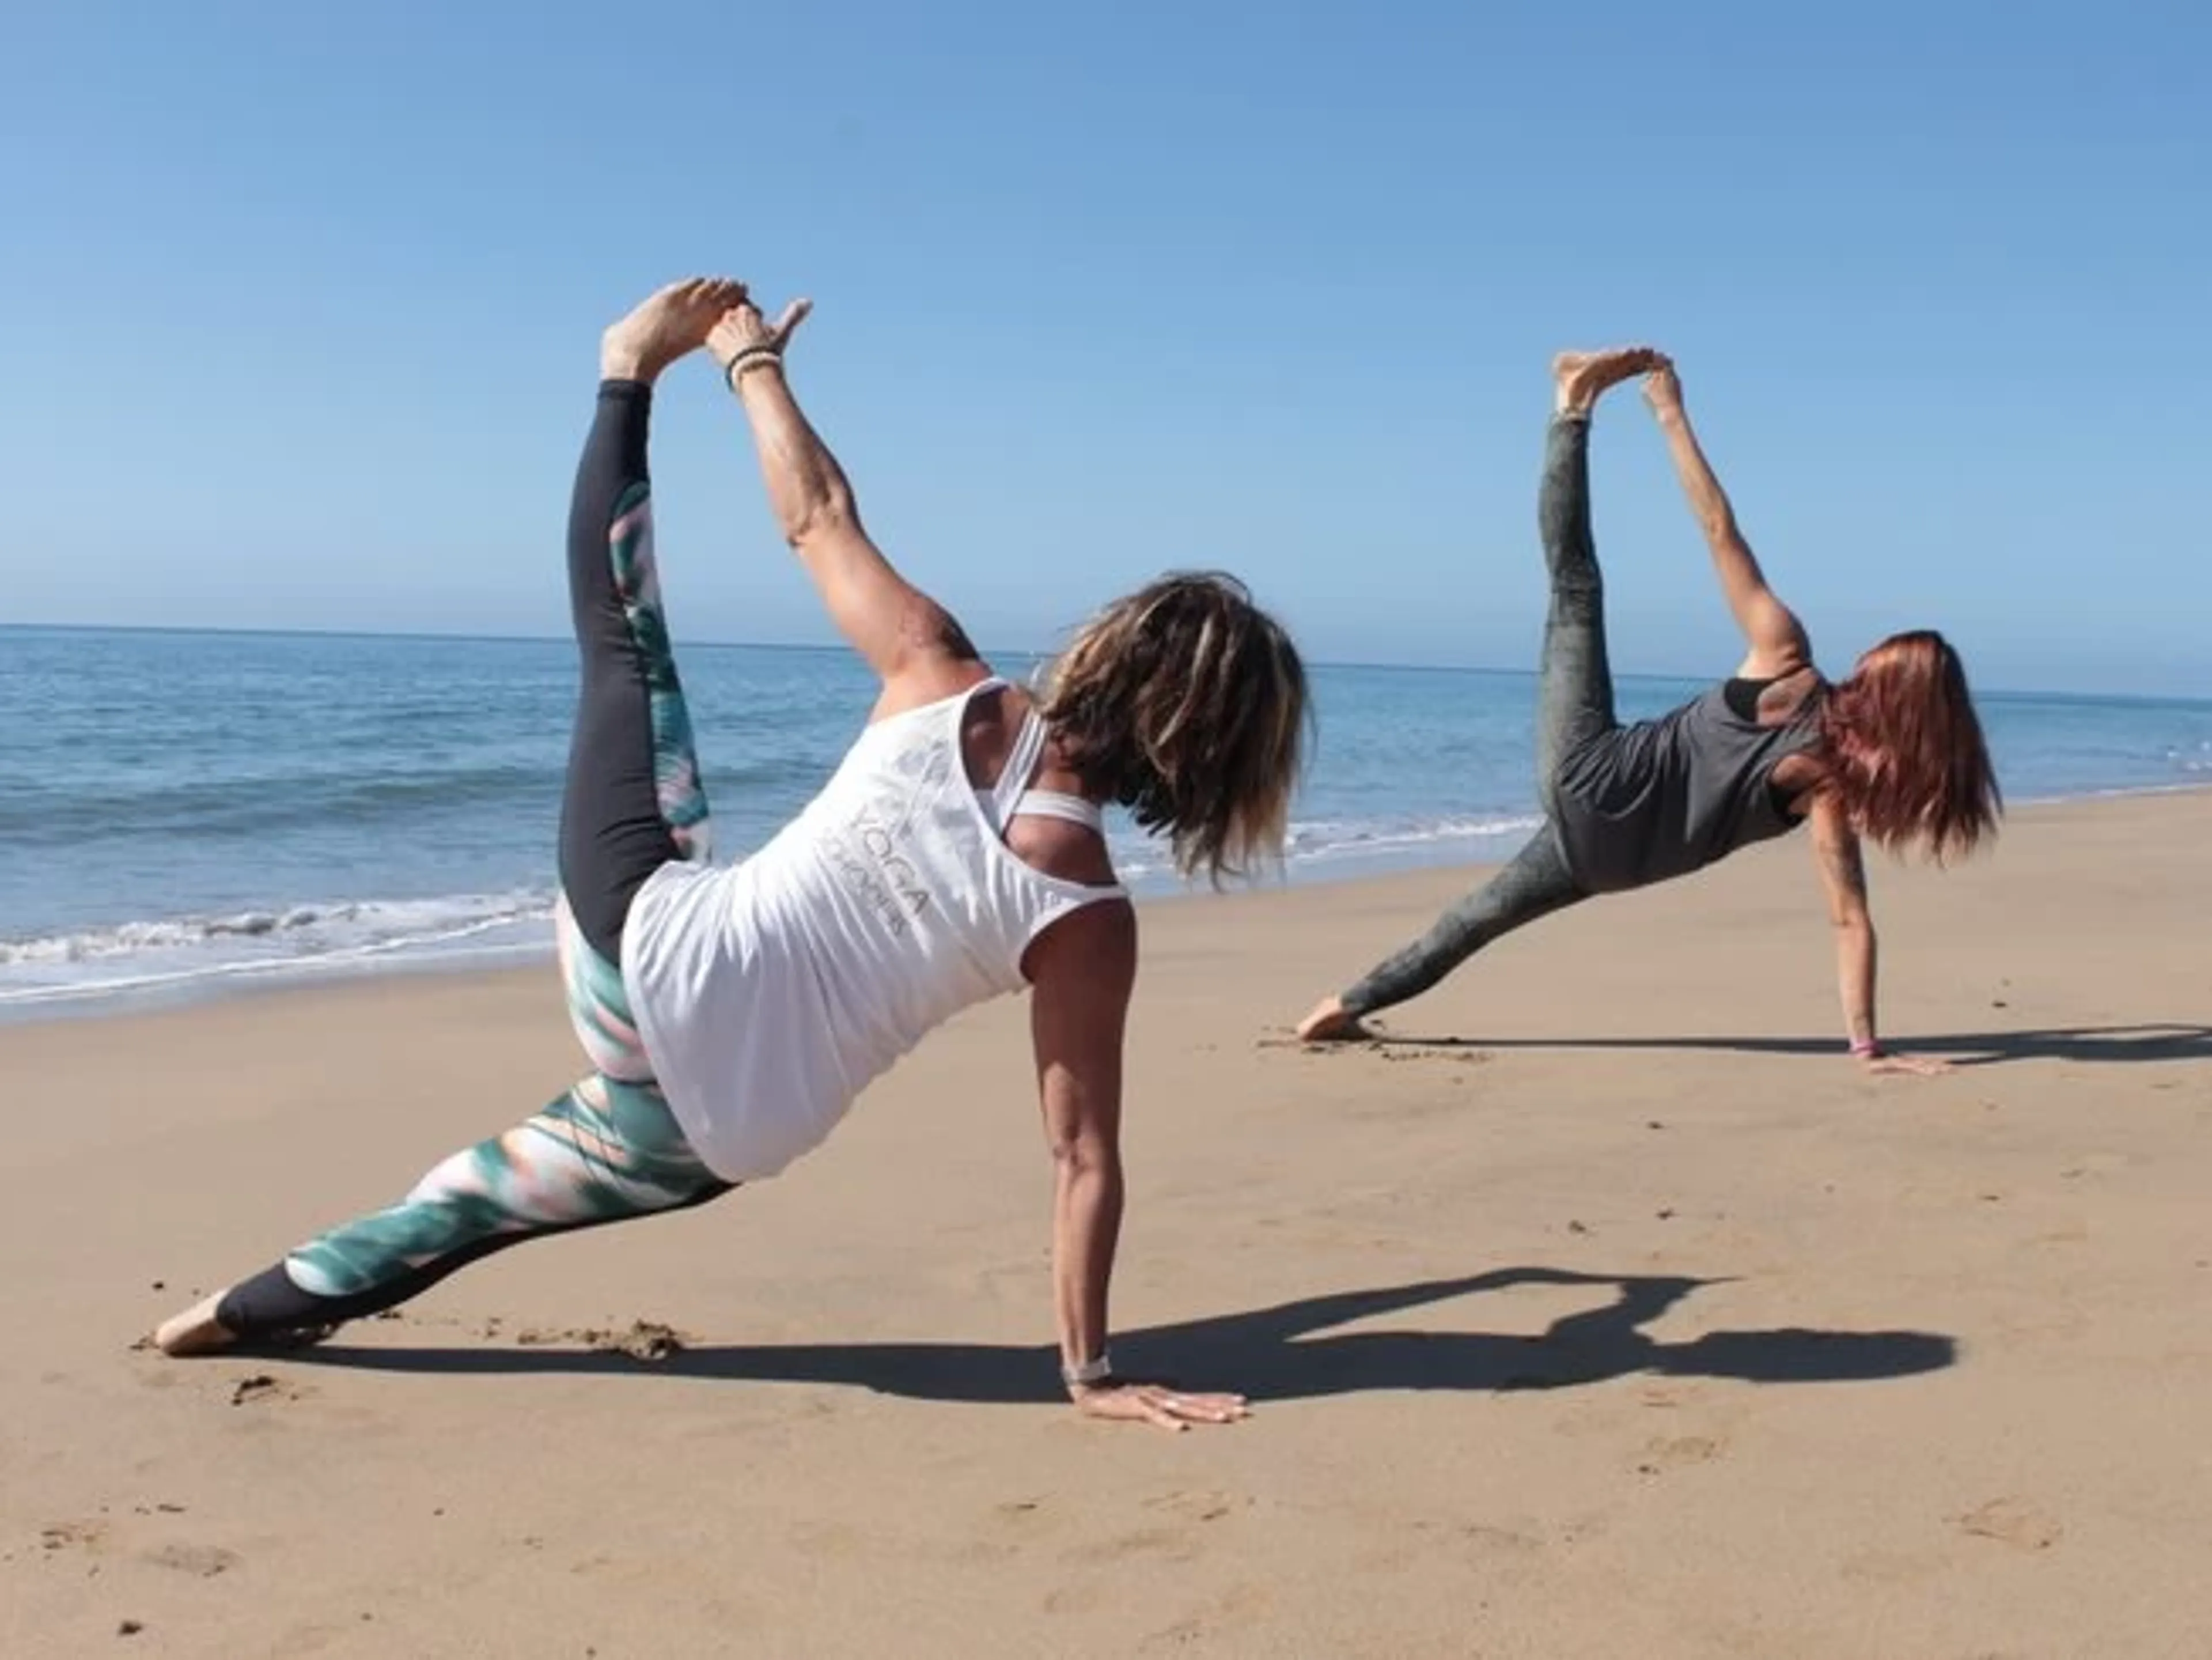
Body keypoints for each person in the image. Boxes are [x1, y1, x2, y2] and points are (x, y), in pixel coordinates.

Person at [156, 278, 1309, 1433]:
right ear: (1217, 763)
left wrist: (750, 366)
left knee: (627, 654)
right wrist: (1089, 1373)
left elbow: (817, 516)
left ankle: (623, 376)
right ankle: (236, 1311)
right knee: (468, 1206)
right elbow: (1081, 1156)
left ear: (1113, 644)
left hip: (638, 959)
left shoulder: (941, 673)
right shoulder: (1090, 917)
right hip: (726, 1131)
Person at [1296, 349, 2000, 1071]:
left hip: (1589, 775)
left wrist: (1670, 415)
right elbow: (1849, 919)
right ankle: (1342, 1006)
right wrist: (1867, 1047)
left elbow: (1719, 529)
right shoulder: (1832, 786)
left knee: (1576, 589)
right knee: (1471, 923)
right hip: (1608, 864)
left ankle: (1572, 406)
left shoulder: (1785, 657)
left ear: (1888, 689)